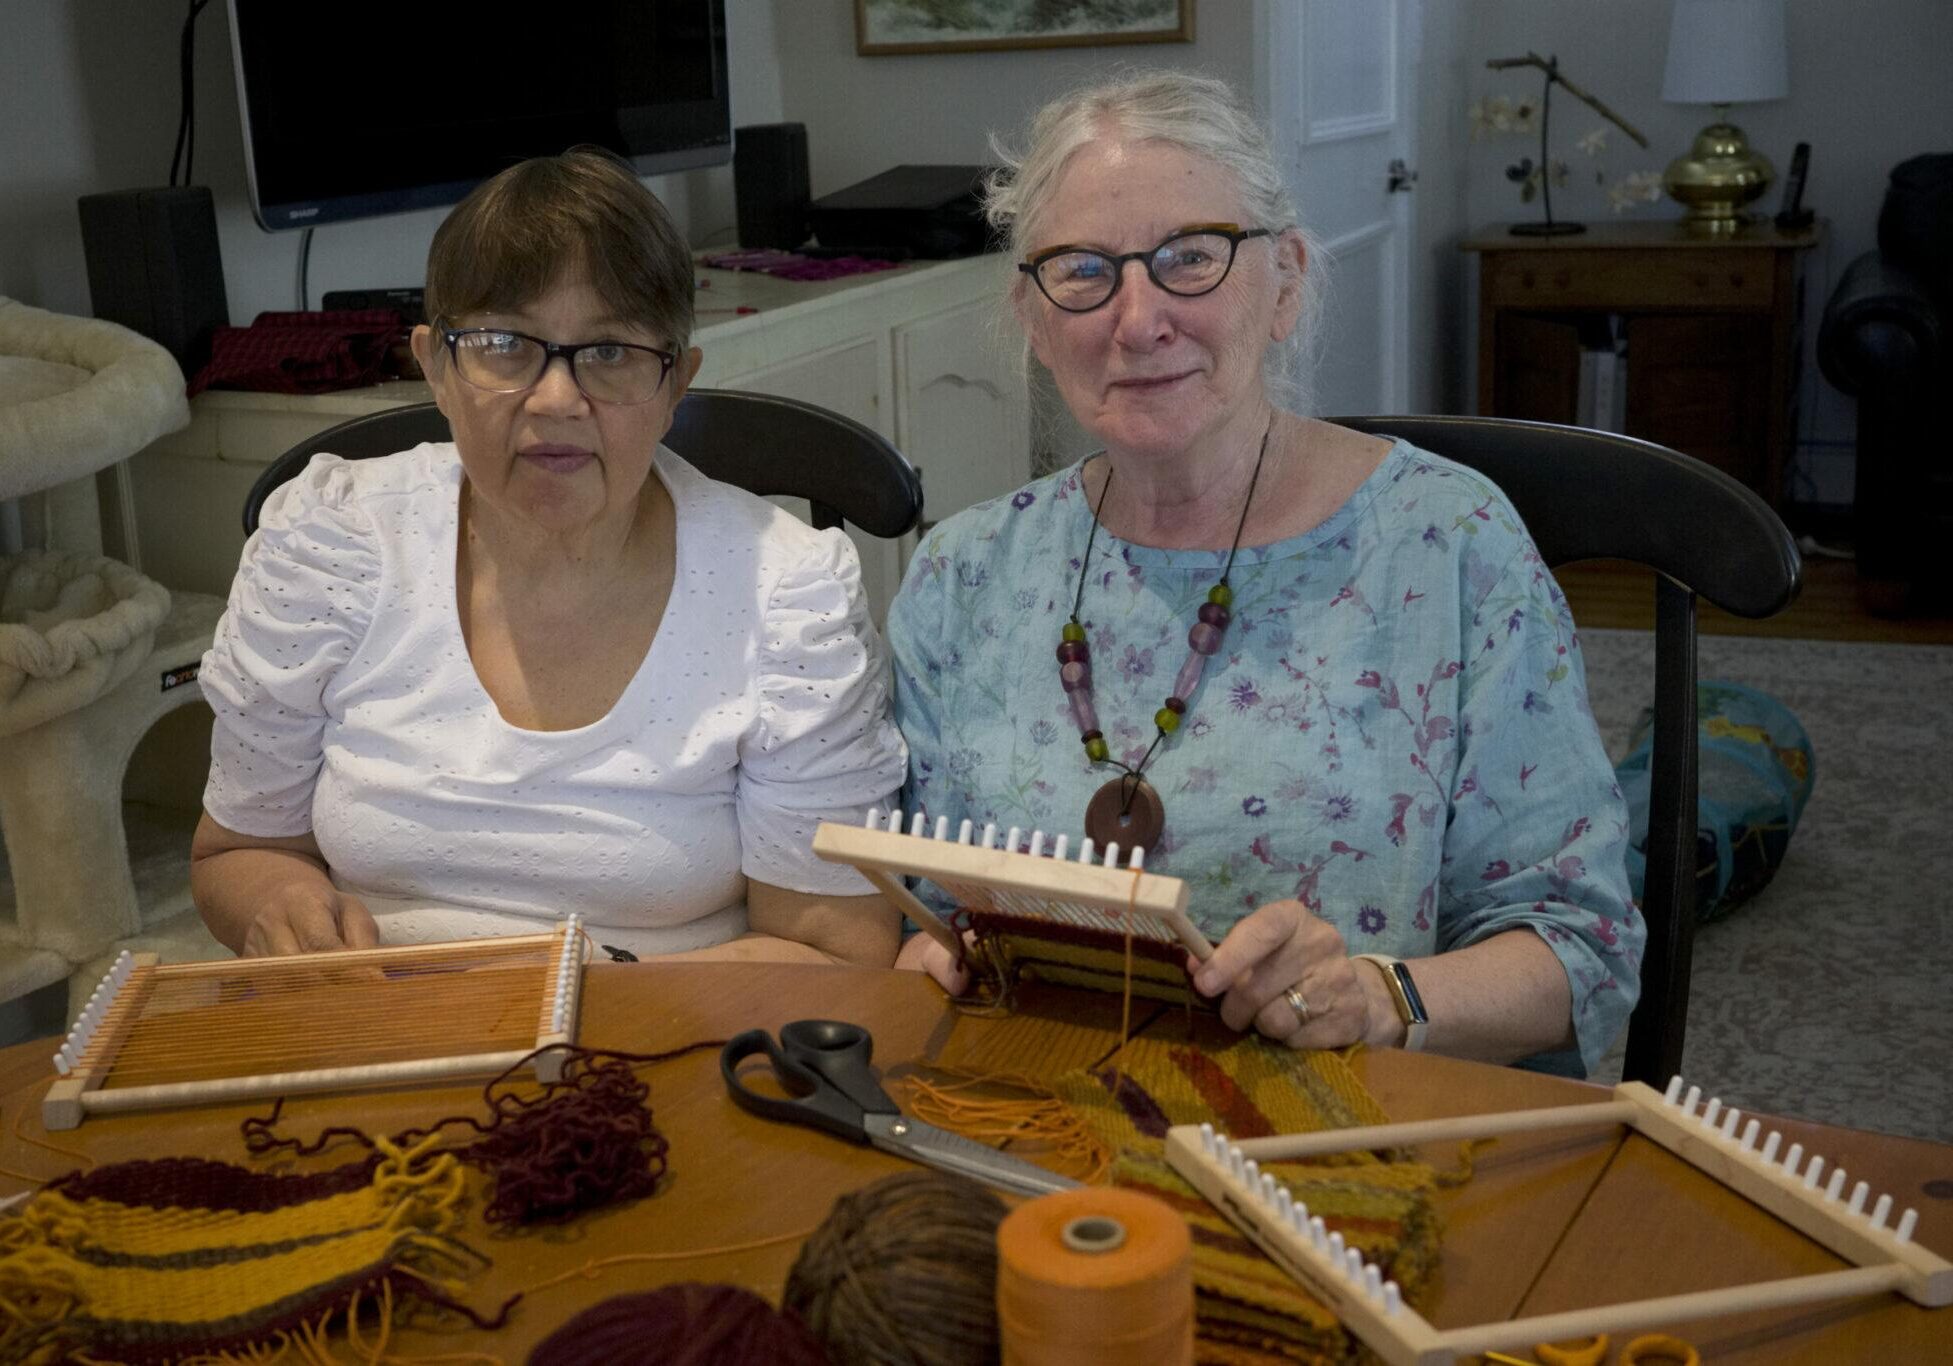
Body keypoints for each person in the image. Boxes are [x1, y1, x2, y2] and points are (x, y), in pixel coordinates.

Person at [888, 73, 1640, 1076]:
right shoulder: (964, 573)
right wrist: (930, 954)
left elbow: (1581, 952)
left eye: (1190, 259)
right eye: (1082, 271)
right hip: (1040, 1112)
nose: (1139, 318)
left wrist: (1384, 996)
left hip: (1353, 1129)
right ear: (1033, 317)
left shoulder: (1451, 545)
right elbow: (929, 913)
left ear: (1284, 282)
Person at [191, 150, 906, 965]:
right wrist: (278, 900)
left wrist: (562, 1017)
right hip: (375, 1026)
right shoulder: (333, 544)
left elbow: (831, 947)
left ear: (676, 387)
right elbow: (235, 853)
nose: (557, 399)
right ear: (434, 366)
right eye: (504, 344)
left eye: (610, 352)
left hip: (665, 1047)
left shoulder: (786, 595)